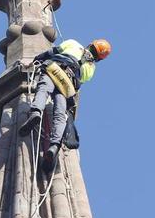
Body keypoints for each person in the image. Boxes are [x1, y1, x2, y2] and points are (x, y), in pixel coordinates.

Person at [18, 38, 112, 171]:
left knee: (43, 89)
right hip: (68, 84)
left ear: (91, 44)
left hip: (55, 69)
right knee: (60, 112)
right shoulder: (91, 69)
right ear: (99, 58)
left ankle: (36, 112)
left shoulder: (73, 43)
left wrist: (37, 59)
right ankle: (55, 145)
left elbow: (52, 51)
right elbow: (82, 81)